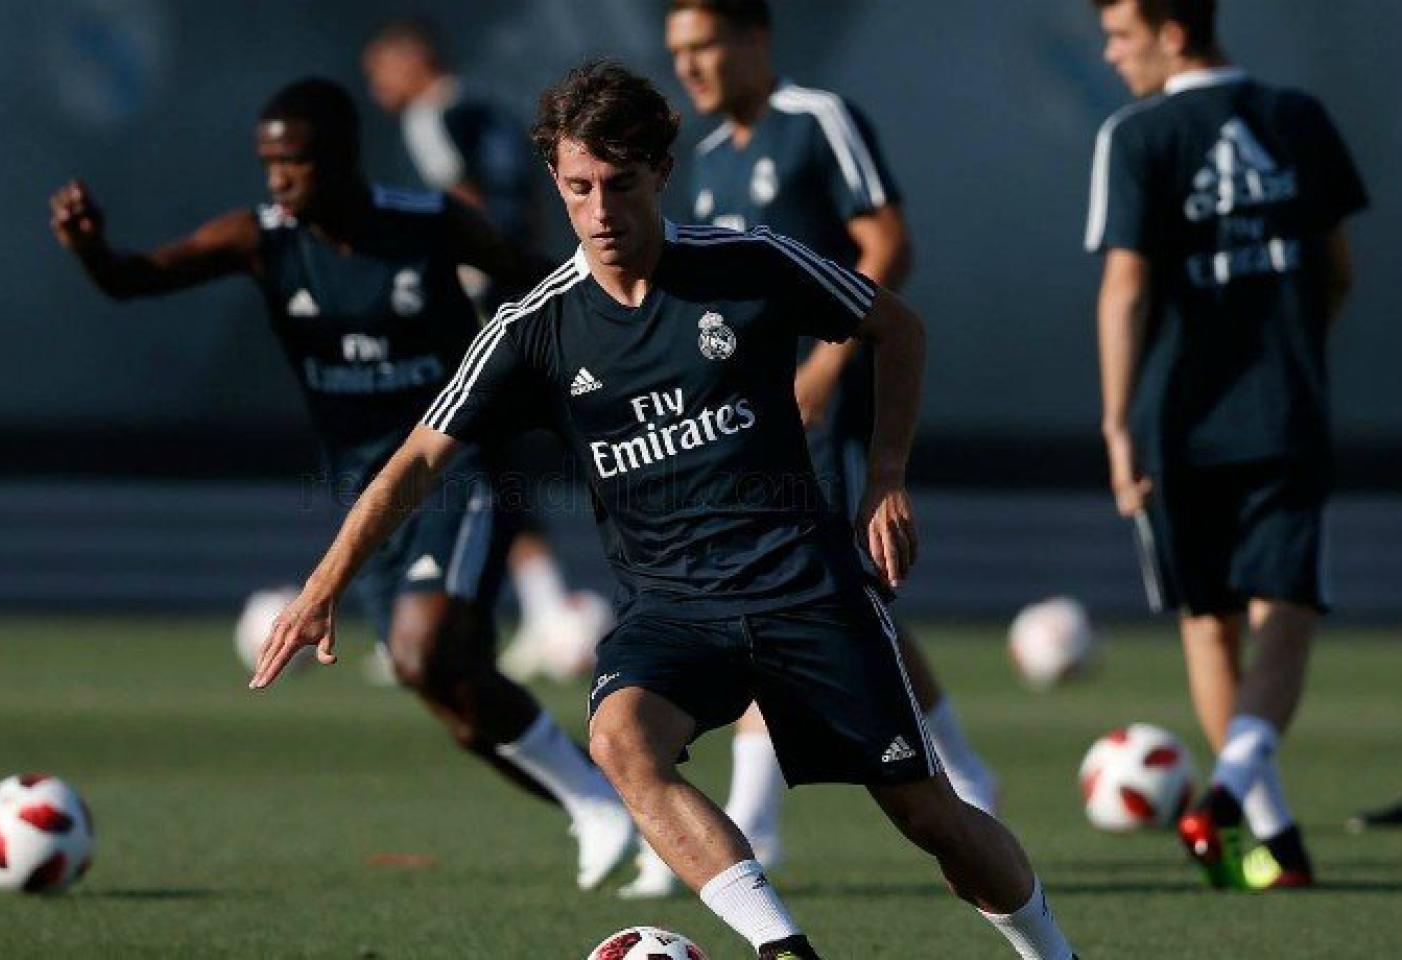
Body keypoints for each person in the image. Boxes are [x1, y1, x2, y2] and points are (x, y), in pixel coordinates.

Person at [254, 60, 1076, 960]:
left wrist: (885, 476)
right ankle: (783, 950)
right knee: (619, 739)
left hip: (807, 591)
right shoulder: (532, 327)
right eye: (577, 189)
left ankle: (1051, 951)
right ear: (554, 184)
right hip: (675, 610)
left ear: (660, 175)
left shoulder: (750, 264)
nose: (600, 211)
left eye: (619, 184)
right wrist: (324, 583)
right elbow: (418, 454)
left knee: (931, 820)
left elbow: (897, 328)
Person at [48, 77, 634, 890]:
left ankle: (604, 805)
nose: (278, 181)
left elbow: (535, 277)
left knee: (426, 651)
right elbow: (137, 278)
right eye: (268, 164)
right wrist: (90, 249)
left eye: (294, 163)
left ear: (344, 159)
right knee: (439, 682)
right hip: (365, 495)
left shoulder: (426, 223)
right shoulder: (261, 239)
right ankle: (601, 803)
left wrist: (624, 334)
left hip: (457, 465)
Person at [618, 0, 1003, 899]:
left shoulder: (817, 120)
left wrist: (826, 370)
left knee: (794, 586)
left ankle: (757, 818)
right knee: (837, 592)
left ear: (756, 39)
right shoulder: (706, 160)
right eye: (679, 51)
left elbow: (887, 244)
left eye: (708, 44)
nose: (694, 66)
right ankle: (970, 776)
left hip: (831, 410)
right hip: (755, 424)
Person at [1085, 0, 1364, 891]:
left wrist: (1117, 422)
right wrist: (1294, 352)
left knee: (1209, 625)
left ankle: (1252, 821)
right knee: (1284, 611)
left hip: (1179, 421)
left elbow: (1126, 288)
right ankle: (1254, 814)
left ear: (1172, 32)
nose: (1111, 53)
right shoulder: (1298, 119)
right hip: (1286, 410)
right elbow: (1337, 269)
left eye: (1123, 36)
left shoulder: (1137, 135)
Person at [363, 18, 613, 682]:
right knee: (501, 459)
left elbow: (461, 202)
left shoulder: (432, 115)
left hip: (480, 304)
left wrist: (451, 277)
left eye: (381, 69)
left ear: (413, 61)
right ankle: (539, 609)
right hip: (524, 288)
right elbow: (523, 201)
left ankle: (438, 617)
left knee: (448, 450)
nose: (376, 86)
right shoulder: (489, 110)